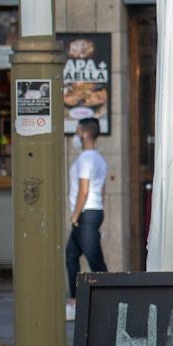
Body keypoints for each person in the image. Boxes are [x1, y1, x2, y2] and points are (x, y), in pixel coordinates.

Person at [64, 117, 108, 320]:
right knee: (71, 255)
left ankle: (110, 299)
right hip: (94, 211)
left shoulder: (85, 159)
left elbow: (84, 189)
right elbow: (103, 189)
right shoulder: (99, 158)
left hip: (85, 213)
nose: (76, 135)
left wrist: (75, 215)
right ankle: (74, 300)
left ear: (85, 134)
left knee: (95, 261)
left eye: (78, 131)